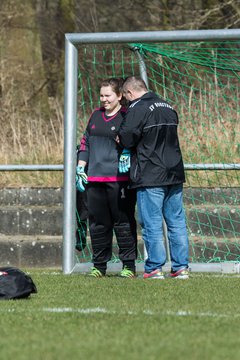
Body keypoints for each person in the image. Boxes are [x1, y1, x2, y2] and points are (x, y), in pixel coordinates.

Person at [118, 76, 189, 279]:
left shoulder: (137, 108)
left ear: (130, 93)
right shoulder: (167, 105)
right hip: (174, 172)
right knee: (176, 222)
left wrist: (121, 139)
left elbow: (126, 137)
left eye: (126, 97)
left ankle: (155, 268)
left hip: (151, 174)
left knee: (152, 223)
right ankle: (181, 267)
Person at [76, 78, 137, 278]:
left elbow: (135, 139)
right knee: (98, 224)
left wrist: (128, 152)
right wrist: (81, 166)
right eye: (101, 95)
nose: (104, 99)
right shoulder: (95, 115)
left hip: (119, 181)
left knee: (123, 222)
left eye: (108, 95)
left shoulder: (127, 116)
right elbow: (85, 142)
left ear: (119, 96)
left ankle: (128, 265)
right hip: (94, 180)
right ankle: (99, 266)